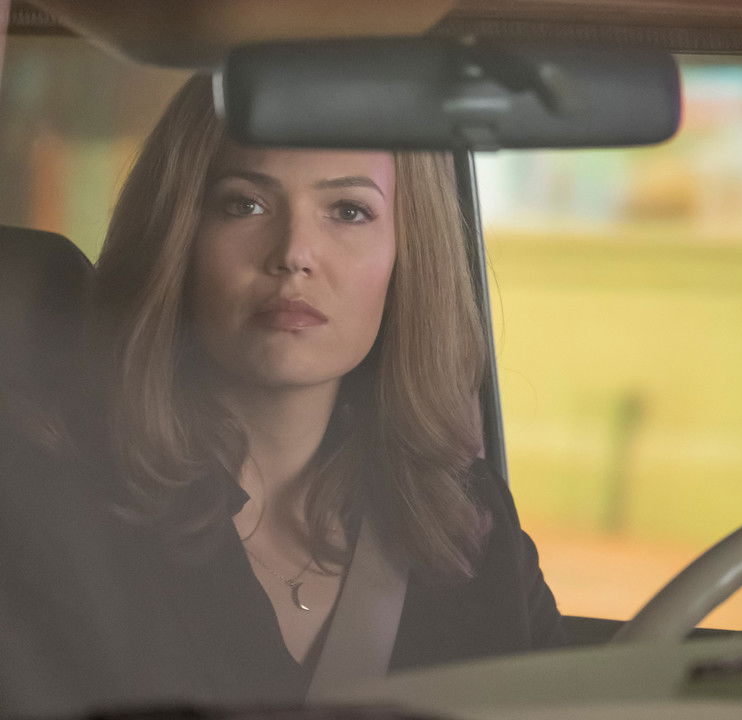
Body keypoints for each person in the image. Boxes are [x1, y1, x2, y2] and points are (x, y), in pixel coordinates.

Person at [82, 73, 564, 704]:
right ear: (178, 238)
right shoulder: (64, 514)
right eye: (244, 204)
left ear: (406, 255)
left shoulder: (471, 523)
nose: (294, 254)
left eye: (349, 211)